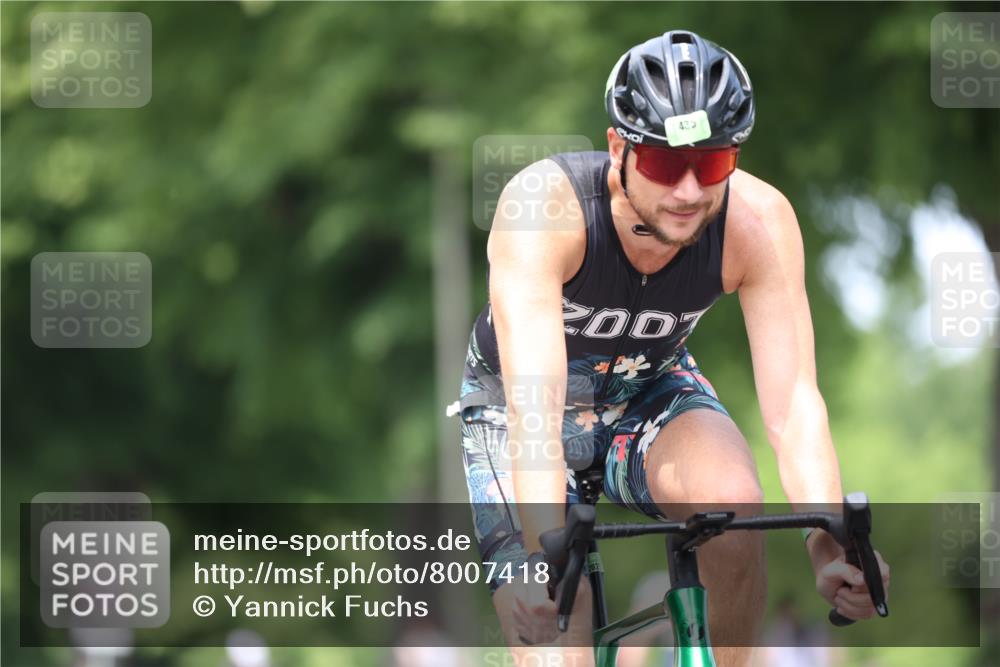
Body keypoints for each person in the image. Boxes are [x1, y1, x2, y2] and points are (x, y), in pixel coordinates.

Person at [452, 29, 891, 667]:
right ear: (617, 149)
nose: (688, 191)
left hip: (646, 391)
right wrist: (540, 563)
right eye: (663, 164)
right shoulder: (542, 209)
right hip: (519, 410)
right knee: (557, 643)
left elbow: (794, 405)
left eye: (711, 165)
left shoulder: (759, 225)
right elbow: (534, 407)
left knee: (734, 507)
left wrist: (829, 546)